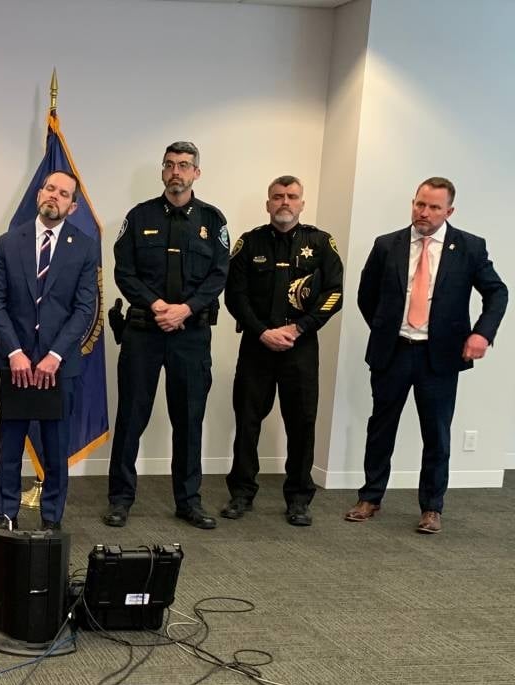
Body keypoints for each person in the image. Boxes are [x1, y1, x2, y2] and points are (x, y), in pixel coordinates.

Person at [345, 177, 507, 535]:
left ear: (449, 211)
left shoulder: (469, 247)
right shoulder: (387, 245)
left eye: (434, 207)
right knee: (381, 427)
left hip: (439, 357)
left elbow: (497, 292)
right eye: (420, 204)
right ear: (413, 203)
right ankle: (370, 497)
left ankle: (432, 507)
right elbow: (366, 295)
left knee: (436, 434)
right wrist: (386, 329)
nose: (425, 212)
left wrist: (482, 333)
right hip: (393, 352)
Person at [104, 142, 229, 530]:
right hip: (144, 331)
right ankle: (120, 499)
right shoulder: (139, 217)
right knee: (131, 416)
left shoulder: (212, 220)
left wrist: (185, 309)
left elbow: (219, 275)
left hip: (190, 335)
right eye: (170, 165)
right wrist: (158, 305)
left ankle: (188, 501)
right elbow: (124, 271)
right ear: (162, 171)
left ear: (196, 173)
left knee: (189, 419)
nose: (177, 171)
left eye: (185, 165)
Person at [221, 176, 343, 527]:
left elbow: (334, 293)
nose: (284, 202)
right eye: (277, 197)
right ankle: (241, 493)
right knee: (247, 421)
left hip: (299, 347)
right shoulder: (249, 243)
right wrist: (262, 331)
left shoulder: (321, 243)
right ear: (268, 204)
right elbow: (235, 295)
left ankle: (299, 499)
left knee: (302, 424)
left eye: (292, 196)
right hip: (257, 346)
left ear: (302, 203)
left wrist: (299, 328)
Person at [0, 170, 100, 531]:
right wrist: (14, 353)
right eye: (50, 189)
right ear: (39, 194)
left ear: (72, 206)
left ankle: (51, 518)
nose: (55, 196)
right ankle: (6, 514)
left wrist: (55, 356)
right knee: (10, 446)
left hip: (58, 366)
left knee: (55, 447)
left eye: (63, 193)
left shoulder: (85, 247)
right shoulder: (9, 242)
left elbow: (84, 308)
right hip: (14, 363)